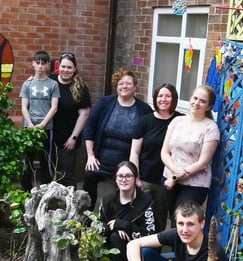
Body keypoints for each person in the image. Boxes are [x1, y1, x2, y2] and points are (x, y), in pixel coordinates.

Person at [83, 68, 153, 208]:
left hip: (125, 164)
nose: (124, 87)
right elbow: (90, 127)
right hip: (99, 161)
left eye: (128, 83)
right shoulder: (105, 103)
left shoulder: (144, 110)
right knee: (89, 177)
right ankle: (86, 218)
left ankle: (115, 221)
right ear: (116, 86)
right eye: (121, 83)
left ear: (135, 87)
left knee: (121, 196)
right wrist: (90, 155)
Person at [160, 85, 219, 225]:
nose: (197, 103)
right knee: (172, 220)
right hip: (169, 179)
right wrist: (174, 173)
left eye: (202, 101)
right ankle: (176, 247)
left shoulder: (211, 128)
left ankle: (182, 247)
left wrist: (175, 177)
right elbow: (164, 152)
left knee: (182, 222)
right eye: (195, 98)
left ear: (209, 106)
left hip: (194, 184)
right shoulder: (177, 121)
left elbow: (203, 162)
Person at [130, 83, 183, 231]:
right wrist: (136, 177)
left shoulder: (181, 120)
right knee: (142, 216)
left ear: (174, 99)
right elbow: (134, 152)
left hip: (169, 179)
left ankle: (157, 250)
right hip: (146, 179)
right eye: (160, 95)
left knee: (161, 218)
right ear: (155, 98)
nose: (163, 99)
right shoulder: (145, 121)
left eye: (167, 96)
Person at [99, 161, 156, 261]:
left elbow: (151, 235)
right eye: (120, 176)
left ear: (135, 178)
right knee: (115, 236)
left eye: (128, 176)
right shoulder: (107, 201)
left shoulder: (146, 203)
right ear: (115, 179)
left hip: (137, 253)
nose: (124, 179)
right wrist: (113, 228)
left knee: (117, 237)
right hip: (108, 249)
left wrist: (125, 226)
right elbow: (99, 225)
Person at [50, 52, 91, 188]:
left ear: (74, 68)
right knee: (50, 173)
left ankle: (69, 204)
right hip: (49, 136)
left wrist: (73, 137)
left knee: (66, 174)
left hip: (68, 139)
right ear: (58, 67)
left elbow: (84, 114)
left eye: (69, 67)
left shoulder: (81, 88)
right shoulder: (50, 81)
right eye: (63, 66)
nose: (65, 70)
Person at [20, 50, 60, 189]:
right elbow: (24, 107)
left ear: (48, 65)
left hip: (46, 128)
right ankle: (26, 189)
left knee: (46, 159)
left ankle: (46, 189)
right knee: (28, 159)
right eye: (38, 63)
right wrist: (30, 124)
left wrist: (43, 124)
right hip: (29, 128)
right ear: (33, 64)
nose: (40, 66)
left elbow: (54, 107)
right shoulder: (27, 84)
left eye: (44, 63)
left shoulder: (53, 85)